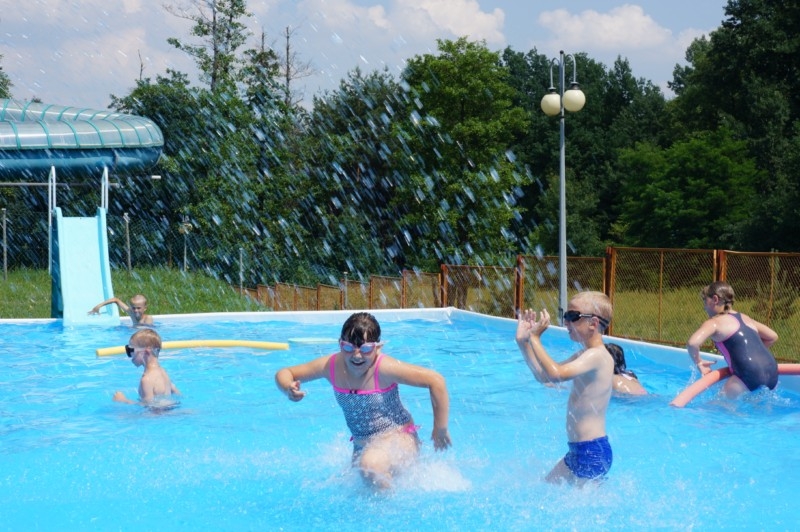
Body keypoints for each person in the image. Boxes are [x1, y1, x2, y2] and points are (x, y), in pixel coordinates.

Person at [275, 312, 451, 489]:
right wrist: (287, 388)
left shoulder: (384, 368)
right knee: (363, 478)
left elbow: (436, 381)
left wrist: (440, 429)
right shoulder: (331, 366)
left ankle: (390, 505)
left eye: (365, 349)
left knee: (370, 466)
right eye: (348, 347)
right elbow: (285, 373)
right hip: (362, 446)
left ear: (378, 348)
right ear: (340, 344)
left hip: (399, 439)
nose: (356, 355)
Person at [515, 291, 614, 484]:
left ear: (593, 323)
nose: (566, 322)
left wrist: (535, 339)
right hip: (580, 450)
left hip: (591, 452)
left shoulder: (597, 356)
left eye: (572, 316)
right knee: (545, 487)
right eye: (565, 316)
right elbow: (544, 377)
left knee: (583, 504)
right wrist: (523, 343)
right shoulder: (584, 355)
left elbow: (556, 373)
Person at [686, 281, 778, 398]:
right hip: (772, 370)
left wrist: (699, 362)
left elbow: (692, 343)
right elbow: (772, 337)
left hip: (748, 373)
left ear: (715, 299)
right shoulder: (745, 318)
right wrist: (752, 353)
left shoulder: (714, 322)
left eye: (705, 300)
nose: (704, 306)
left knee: (718, 405)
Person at [113, 328, 180, 405]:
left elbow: (147, 407)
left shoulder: (146, 380)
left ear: (147, 350)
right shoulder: (162, 371)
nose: (130, 355)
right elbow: (176, 392)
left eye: (131, 350)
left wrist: (124, 400)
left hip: (159, 412)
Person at [89, 294, 153, 326]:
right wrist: (99, 306)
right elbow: (116, 300)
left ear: (145, 308)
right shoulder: (131, 312)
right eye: (133, 308)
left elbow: (148, 333)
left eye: (138, 308)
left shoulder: (148, 318)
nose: (136, 310)